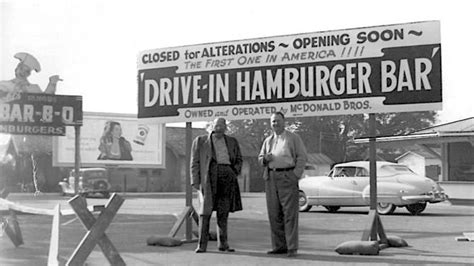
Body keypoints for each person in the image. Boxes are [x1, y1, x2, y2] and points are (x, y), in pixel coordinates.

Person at [0, 52, 62, 195]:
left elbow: (46, 100)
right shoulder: (4, 84)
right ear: (17, 69)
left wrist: (52, 83)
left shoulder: (33, 88)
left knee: (33, 159)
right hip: (9, 129)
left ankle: (33, 188)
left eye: (27, 71)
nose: (23, 72)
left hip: (29, 131)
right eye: (22, 69)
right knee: (11, 158)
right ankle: (10, 187)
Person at [258, 111, 307, 257]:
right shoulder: (268, 140)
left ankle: (292, 247)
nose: (275, 124)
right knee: (274, 213)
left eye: (278, 121)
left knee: (290, 214)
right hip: (271, 177)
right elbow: (260, 158)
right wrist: (264, 159)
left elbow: (302, 157)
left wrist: (295, 175)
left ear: (284, 122)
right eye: (273, 121)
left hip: (287, 176)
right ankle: (279, 246)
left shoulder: (293, 138)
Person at [191, 118, 243, 253]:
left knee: (223, 212)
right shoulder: (201, 141)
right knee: (205, 212)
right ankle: (202, 245)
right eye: (216, 125)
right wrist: (195, 181)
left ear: (226, 127)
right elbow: (194, 162)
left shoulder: (232, 141)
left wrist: (234, 171)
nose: (219, 128)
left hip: (227, 175)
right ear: (212, 126)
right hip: (209, 177)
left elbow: (239, 159)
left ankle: (223, 244)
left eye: (222, 125)